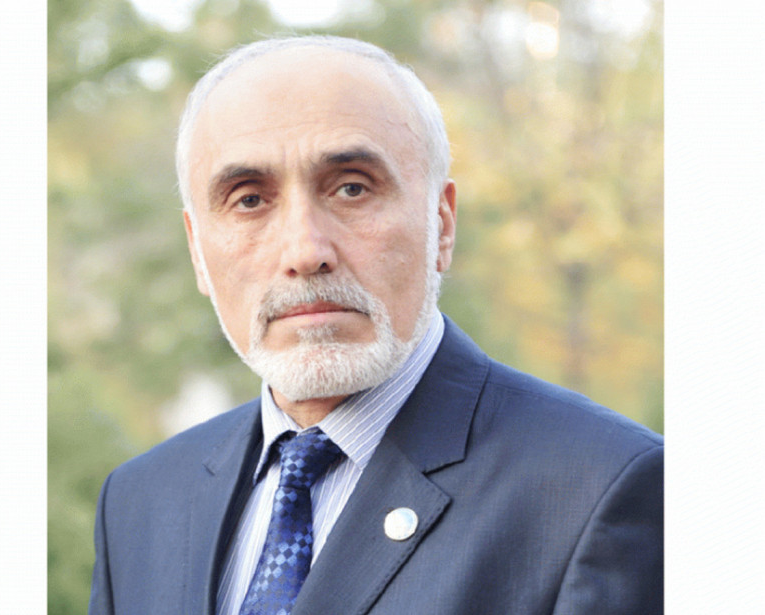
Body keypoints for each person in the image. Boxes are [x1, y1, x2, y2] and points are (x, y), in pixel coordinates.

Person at [88, 35, 663, 615]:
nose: (305, 252)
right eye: (249, 200)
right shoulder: (139, 503)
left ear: (441, 223)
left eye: (352, 188)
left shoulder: (601, 489)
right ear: (197, 251)